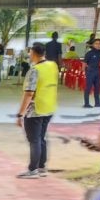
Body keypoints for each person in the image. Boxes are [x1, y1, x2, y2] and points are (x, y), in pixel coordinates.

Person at [16, 43, 59, 179]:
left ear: (33, 53)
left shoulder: (35, 70)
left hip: (35, 109)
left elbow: (29, 93)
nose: (29, 55)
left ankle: (33, 169)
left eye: (30, 53)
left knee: (34, 140)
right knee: (41, 138)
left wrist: (20, 114)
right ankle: (41, 167)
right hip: (49, 107)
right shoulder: (53, 66)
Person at [83, 38, 100, 108]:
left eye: (99, 44)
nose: (98, 45)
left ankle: (97, 103)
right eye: (96, 43)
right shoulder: (89, 53)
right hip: (90, 72)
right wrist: (84, 72)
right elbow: (84, 63)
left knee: (97, 87)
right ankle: (86, 104)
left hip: (97, 71)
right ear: (92, 45)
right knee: (88, 87)